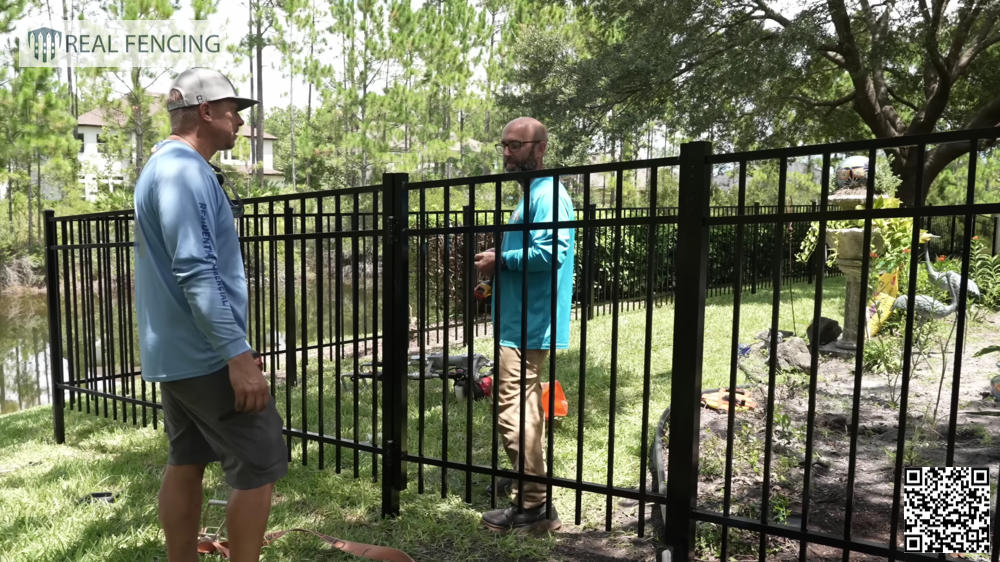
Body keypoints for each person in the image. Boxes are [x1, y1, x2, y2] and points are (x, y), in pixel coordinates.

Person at [134, 67, 287, 561]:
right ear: (205, 111)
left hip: (176, 352)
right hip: (205, 356)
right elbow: (197, 271)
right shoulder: (184, 170)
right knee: (259, 461)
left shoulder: (162, 165)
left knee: (187, 457)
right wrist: (236, 355)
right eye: (233, 111)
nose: (240, 122)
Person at [474, 117, 575, 533]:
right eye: (504, 145)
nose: (507, 152)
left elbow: (552, 252)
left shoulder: (548, 193)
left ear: (540, 149)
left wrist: (502, 260)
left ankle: (533, 505)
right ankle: (530, 486)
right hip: (518, 318)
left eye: (516, 145)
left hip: (529, 320)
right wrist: (502, 254)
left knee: (513, 408)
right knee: (524, 405)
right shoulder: (534, 194)